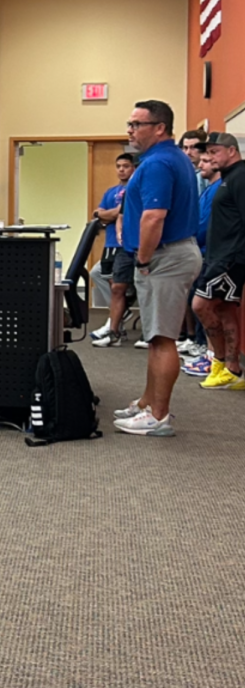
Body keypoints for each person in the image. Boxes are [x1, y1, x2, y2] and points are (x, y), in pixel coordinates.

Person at [112, 100, 202, 437]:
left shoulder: (160, 163)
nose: (130, 130)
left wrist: (144, 259)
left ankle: (159, 417)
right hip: (171, 254)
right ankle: (147, 403)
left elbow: (154, 217)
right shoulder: (161, 159)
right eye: (130, 123)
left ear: (160, 127)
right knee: (154, 338)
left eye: (137, 124)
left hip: (165, 256)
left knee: (163, 338)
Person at [190, 133, 245, 390]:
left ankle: (220, 362)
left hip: (229, 258)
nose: (208, 158)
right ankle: (232, 370)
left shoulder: (241, 176)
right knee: (225, 309)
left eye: (214, 152)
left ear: (231, 151)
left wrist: (235, 257)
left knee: (200, 305)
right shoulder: (227, 178)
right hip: (219, 256)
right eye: (207, 153)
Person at [183, 150, 223, 377]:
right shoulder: (209, 189)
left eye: (207, 161)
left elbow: (206, 225)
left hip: (212, 254)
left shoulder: (220, 189)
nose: (201, 164)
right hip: (203, 253)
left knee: (206, 306)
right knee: (199, 304)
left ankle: (214, 357)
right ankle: (210, 354)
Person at [91, 153, 138, 348]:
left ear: (134, 167)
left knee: (121, 286)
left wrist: (111, 214)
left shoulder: (135, 190)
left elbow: (122, 214)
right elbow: (98, 214)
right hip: (111, 242)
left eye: (125, 166)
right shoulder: (111, 192)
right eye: (118, 166)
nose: (121, 170)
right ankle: (116, 320)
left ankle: (116, 322)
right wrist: (112, 213)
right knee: (102, 276)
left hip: (129, 245)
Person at [180, 128, 209, 194]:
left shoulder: (209, 174)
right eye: (185, 148)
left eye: (193, 147)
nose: (188, 152)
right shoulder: (183, 172)